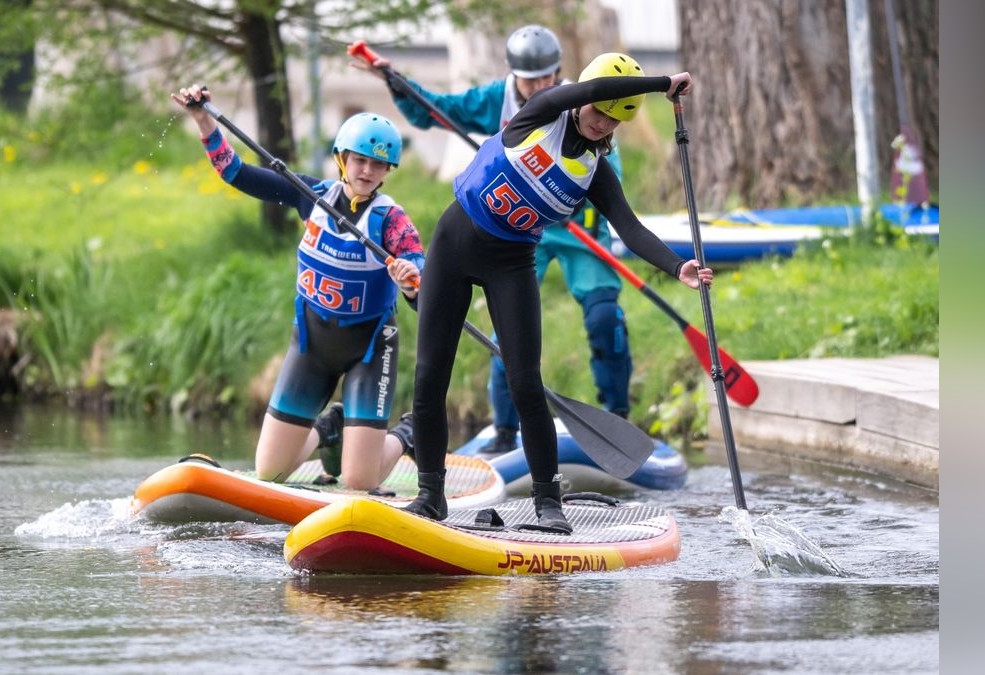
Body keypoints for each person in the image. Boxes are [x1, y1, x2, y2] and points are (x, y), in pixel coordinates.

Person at [402, 54, 711, 533]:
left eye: (613, 118)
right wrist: (662, 83)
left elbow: (629, 227)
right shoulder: (540, 112)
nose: (600, 122)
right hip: (454, 245)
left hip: (512, 264)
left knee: (526, 384)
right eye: (599, 110)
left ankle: (549, 505)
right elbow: (580, 95)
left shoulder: (596, 170)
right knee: (428, 379)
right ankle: (430, 497)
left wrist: (678, 265)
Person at [355, 26, 636, 457]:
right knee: (508, 332)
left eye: (547, 78)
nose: (539, 87)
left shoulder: (584, 108)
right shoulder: (493, 100)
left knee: (603, 316)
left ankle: (617, 415)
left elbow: (604, 169)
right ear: (513, 75)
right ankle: (505, 430)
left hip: (580, 228)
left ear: (559, 73)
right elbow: (434, 110)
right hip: (518, 233)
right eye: (530, 80)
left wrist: (566, 196)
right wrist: (397, 82)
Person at [171, 85, 424, 492]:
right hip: (311, 348)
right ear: (342, 159)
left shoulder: (392, 221)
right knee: (270, 472)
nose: (367, 172)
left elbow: (420, 273)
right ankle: (328, 430)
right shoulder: (312, 196)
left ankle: (406, 434)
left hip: (370, 350)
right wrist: (203, 120)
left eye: (379, 166)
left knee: (359, 482)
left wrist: (411, 280)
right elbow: (234, 171)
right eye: (360, 160)